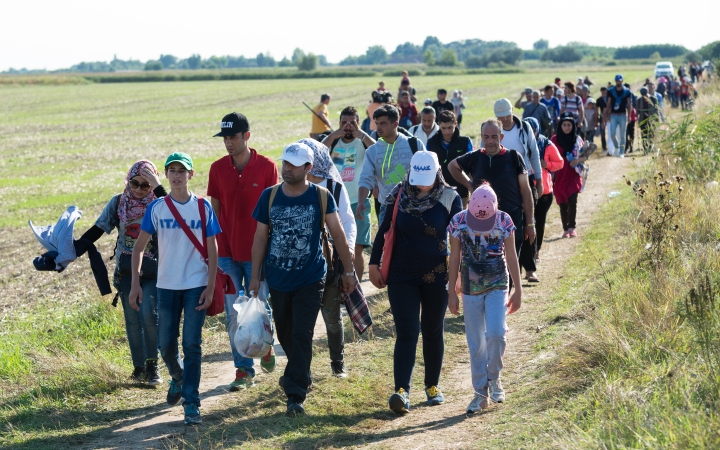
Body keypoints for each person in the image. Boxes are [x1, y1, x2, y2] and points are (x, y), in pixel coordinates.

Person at [249, 142, 357, 416]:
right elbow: (260, 237)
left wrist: (348, 271)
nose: (286, 168)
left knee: (302, 333)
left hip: (311, 277)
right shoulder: (269, 196)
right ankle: (302, 374)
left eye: (293, 165)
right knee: (285, 334)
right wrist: (254, 276)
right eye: (285, 163)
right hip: (277, 278)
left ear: (308, 168)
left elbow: (339, 234)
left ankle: (295, 395)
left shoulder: (321, 197)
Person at [130, 152, 221, 426]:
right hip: (166, 286)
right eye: (173, 171)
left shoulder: (203, 207)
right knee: (165, 345)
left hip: (196, 285)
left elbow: (214, 249)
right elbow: (138, 247)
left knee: (192, 344)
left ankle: (191, 404)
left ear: (190, 175)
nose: (177, 175)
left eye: (183, 171)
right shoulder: (157, 208)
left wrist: (212, 286)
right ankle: (178, 377)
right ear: (166, 176)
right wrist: (135, 283)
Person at [368, 150, 462, 415]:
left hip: (437, 274)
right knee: (407, 331)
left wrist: (459, 275)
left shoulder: (449, 197)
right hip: (402, 274)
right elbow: (384, 228)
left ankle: (432, 386)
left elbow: (459, 240)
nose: (421, 183)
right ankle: (402, 391)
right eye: (418, 177)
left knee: (433, 329)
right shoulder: (399, 194)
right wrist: (374, 262)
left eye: (427, 177)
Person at [208, 112, 279, 391]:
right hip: (225, 252)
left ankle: (265, 345)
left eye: (233, 137)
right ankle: (243, 371)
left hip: (256, 253)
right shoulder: (216, 169)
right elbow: (214, 210)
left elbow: (271, 212)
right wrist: (209, 249)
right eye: (225, 138)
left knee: (259, 309)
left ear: (246, 136)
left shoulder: (267, 167)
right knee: (234, 314)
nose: (228, 143)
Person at [79, 160, 165, 385]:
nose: (138, 189)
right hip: (127, 270)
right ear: (128, 181)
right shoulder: (119, 202)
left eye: (145, 186)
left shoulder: (160, 205)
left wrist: (158, 187)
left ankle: (152, 366)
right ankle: (138, 368)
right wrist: (72, 250)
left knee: (148, 314)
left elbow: (177, 211)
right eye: (134, 183)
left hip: (155, 270)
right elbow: (98, 229)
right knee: (132, 319)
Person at [447, 182, 522, 413]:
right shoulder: (458, 222)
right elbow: (455, 258)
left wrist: (518, 289)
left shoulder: (504, 221)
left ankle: (495, 378)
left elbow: (511, 256)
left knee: (497, 333)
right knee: (476, 342)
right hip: (470, 289)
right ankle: (480, 393)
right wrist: (451, 291)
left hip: (498, 284)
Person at [303, 138, 356, 378]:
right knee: (303, 320)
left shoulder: (334, 187)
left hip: (330, 262)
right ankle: (302, 369)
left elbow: (347, 221)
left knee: (332, 317)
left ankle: (338, 364)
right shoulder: (293, 185)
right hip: (302, 262)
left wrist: (349, 252)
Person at [449, 119, 536, 259]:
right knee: (487, 267)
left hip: (511, 221)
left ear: (501, 137)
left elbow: (526, 192)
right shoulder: (476, 157)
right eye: (486, 137)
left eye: (494, 137)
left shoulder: (513, 157)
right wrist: (470, 185)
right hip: (482, 225)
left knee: (511, 265)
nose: (490, 141)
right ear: (481, 137)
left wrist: (530, 223)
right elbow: (452, 166)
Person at [322, 106, 377, 280]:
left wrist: (361, 134)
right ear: (338, 123)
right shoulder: (332, 142)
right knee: (330, 248)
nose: (347, 126)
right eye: (344, 122)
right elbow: (316, 154)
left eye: (352, 122)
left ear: (358, 124)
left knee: (358, 247)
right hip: (333, 204)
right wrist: (333, 135)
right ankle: (335, 288)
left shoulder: (361, 142)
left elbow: (378, 152)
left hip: (358, 202)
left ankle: (356, 289)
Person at [357, 104, 424, 225]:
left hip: (415, 207)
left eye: (383, 123)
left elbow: (428, 173)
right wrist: (361, 201)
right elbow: (365, 179)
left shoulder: (415, 144)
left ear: (395, 124)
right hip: (386, 208)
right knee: (387, 244)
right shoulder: (372, 151)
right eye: (377, 123)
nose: (378, 127)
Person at [522, 118, 563, 267]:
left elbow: (560, 163)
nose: (530, 133)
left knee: (539, 221)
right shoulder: (519, 145)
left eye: (532, 129)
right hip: (524, 190)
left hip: (544, 191)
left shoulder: (546, 144)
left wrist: (547, 164)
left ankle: (536, 250)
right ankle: (527, 254)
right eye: (527, 130)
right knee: (527, 221)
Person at [551, 113, 589, 238]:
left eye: (569, 125)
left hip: (573, 175)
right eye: (564, 125)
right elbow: (548, 156)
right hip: (559, 175)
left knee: (572, 201)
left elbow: (586, 156)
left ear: (573, 126)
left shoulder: (577, 139)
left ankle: (572, 227)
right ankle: (565, 229)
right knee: (562, 203)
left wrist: (577, 161)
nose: (567, 127)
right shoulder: (554, 140)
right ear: (560, 125)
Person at [426, 110, 474, 207]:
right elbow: (428, 166)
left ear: (455, 124)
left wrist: (473, 188)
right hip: (437, 193)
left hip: (461, 193)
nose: (447, 131)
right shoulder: (431, 143)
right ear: (438, 124)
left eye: (450, 127)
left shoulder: (465, 142)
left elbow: (471, 167)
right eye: (443, 128)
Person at [603, 74, 633, 157]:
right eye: (617, 80)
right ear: (615, 81)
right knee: (612, 133)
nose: (618, 82)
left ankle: (621, 152)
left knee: (623, 135)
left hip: (623, 115)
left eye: (619, 80)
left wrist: (629, 116)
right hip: (613, 115)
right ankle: (616, 147)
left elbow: (629, 104)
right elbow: (608, 104)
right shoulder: (611, 91)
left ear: (622, 81)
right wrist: (607, 115)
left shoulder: (627, 91)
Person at [636, 87, 659, 154]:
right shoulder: (638, 100)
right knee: (644, 135)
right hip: (643, 120)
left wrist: (657, 119)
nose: (644, 95)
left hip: (651, 119)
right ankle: (645, 149)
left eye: (645, 93)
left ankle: (652, 147)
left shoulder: (653, 98)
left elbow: (656, 109)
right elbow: (637, 111)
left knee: (652, 134)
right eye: (642, 94)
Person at [595, 87, 609, 152]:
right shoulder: (599, 100)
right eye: (603, 93)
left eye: (605, 93)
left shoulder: (609, 99)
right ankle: (604, 147)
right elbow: (596, 110)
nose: (604, 94)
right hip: (602, 117)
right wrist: (596, 119)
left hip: (609, 117)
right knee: (602, 133)